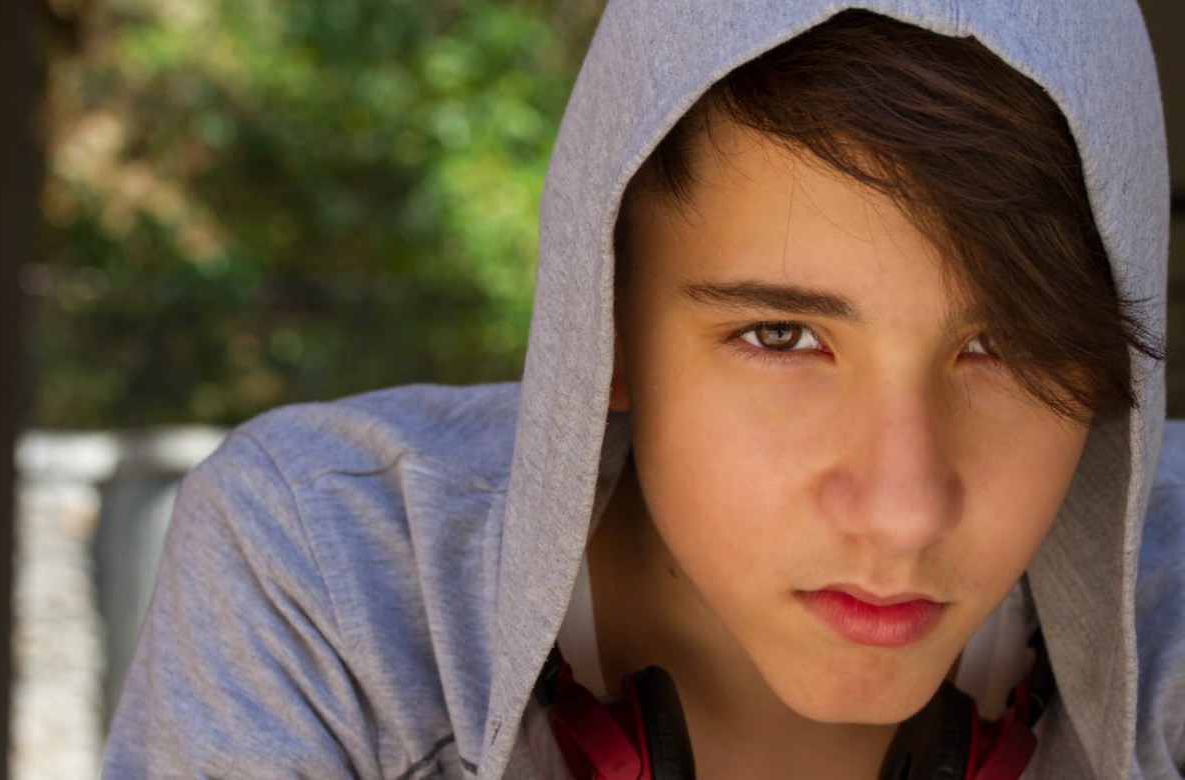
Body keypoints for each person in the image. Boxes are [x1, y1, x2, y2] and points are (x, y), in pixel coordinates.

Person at [101, 1, 1183, 778]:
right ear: (602, 329)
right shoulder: (333, 579)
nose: (901, 510)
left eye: (1007, 345)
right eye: (782, 335)